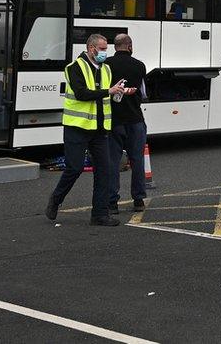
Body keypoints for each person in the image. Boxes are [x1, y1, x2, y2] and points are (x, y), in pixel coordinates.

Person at [46, 34, 125, 226]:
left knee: (104, 170)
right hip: (77, 127)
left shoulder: (106, 69)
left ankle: (99, 214)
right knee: (74, 168)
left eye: (107, 49)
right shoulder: (74, 68)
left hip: (99, 129)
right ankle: (56, 199)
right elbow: (81, 94)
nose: (105, 52)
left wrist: (119, 93)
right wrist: (109, 91)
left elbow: (107, 95)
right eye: (103, 48)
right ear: (91, 49)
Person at [104, 33, 148, 214]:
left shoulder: (105, 65)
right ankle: (138, 200)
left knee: (113, 162)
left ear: (115, 47)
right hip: (135, 119)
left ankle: (112, 202)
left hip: (114, 120)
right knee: (137, 160)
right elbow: (143, 93)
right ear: (129, 46)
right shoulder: (139, 66)